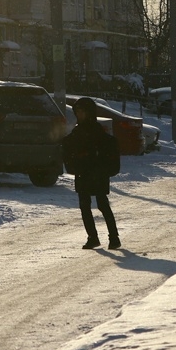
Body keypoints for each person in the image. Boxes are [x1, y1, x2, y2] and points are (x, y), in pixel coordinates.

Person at [62, 96, 121, 250]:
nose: (79, 115)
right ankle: (93, 237)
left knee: (102, 204)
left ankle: (113, 238)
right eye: (77, 112)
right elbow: (69, 145)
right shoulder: (80, 131)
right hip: (84, 173)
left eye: (81, 112)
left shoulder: (94, 130)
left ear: (89, 112)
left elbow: (102, 147)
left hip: (96, 173)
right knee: (85, 206)